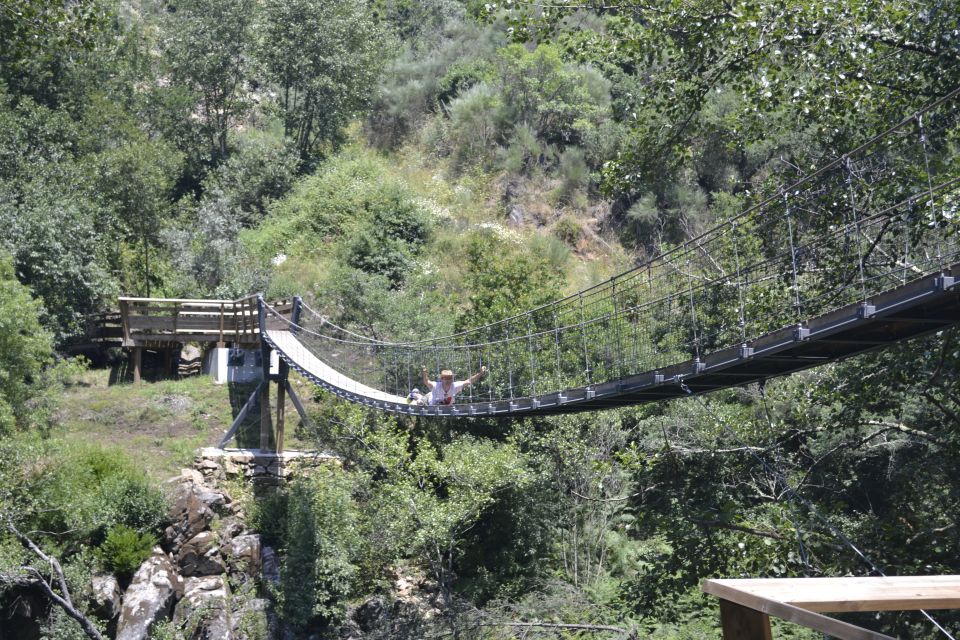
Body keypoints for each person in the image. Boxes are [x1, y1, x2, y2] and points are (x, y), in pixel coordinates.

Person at [408, 365, 488, 406]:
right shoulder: (436, 385)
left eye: (450, 378)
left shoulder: (455, 386)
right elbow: (426, 381)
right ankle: (414, 394)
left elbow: (469, 381)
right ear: (441, 379)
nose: (448, 380)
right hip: (430, 401)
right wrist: (424, 372)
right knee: (419, 403)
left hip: (443, 405)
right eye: (445, 378)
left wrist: (480, 373)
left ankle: (417, 393)